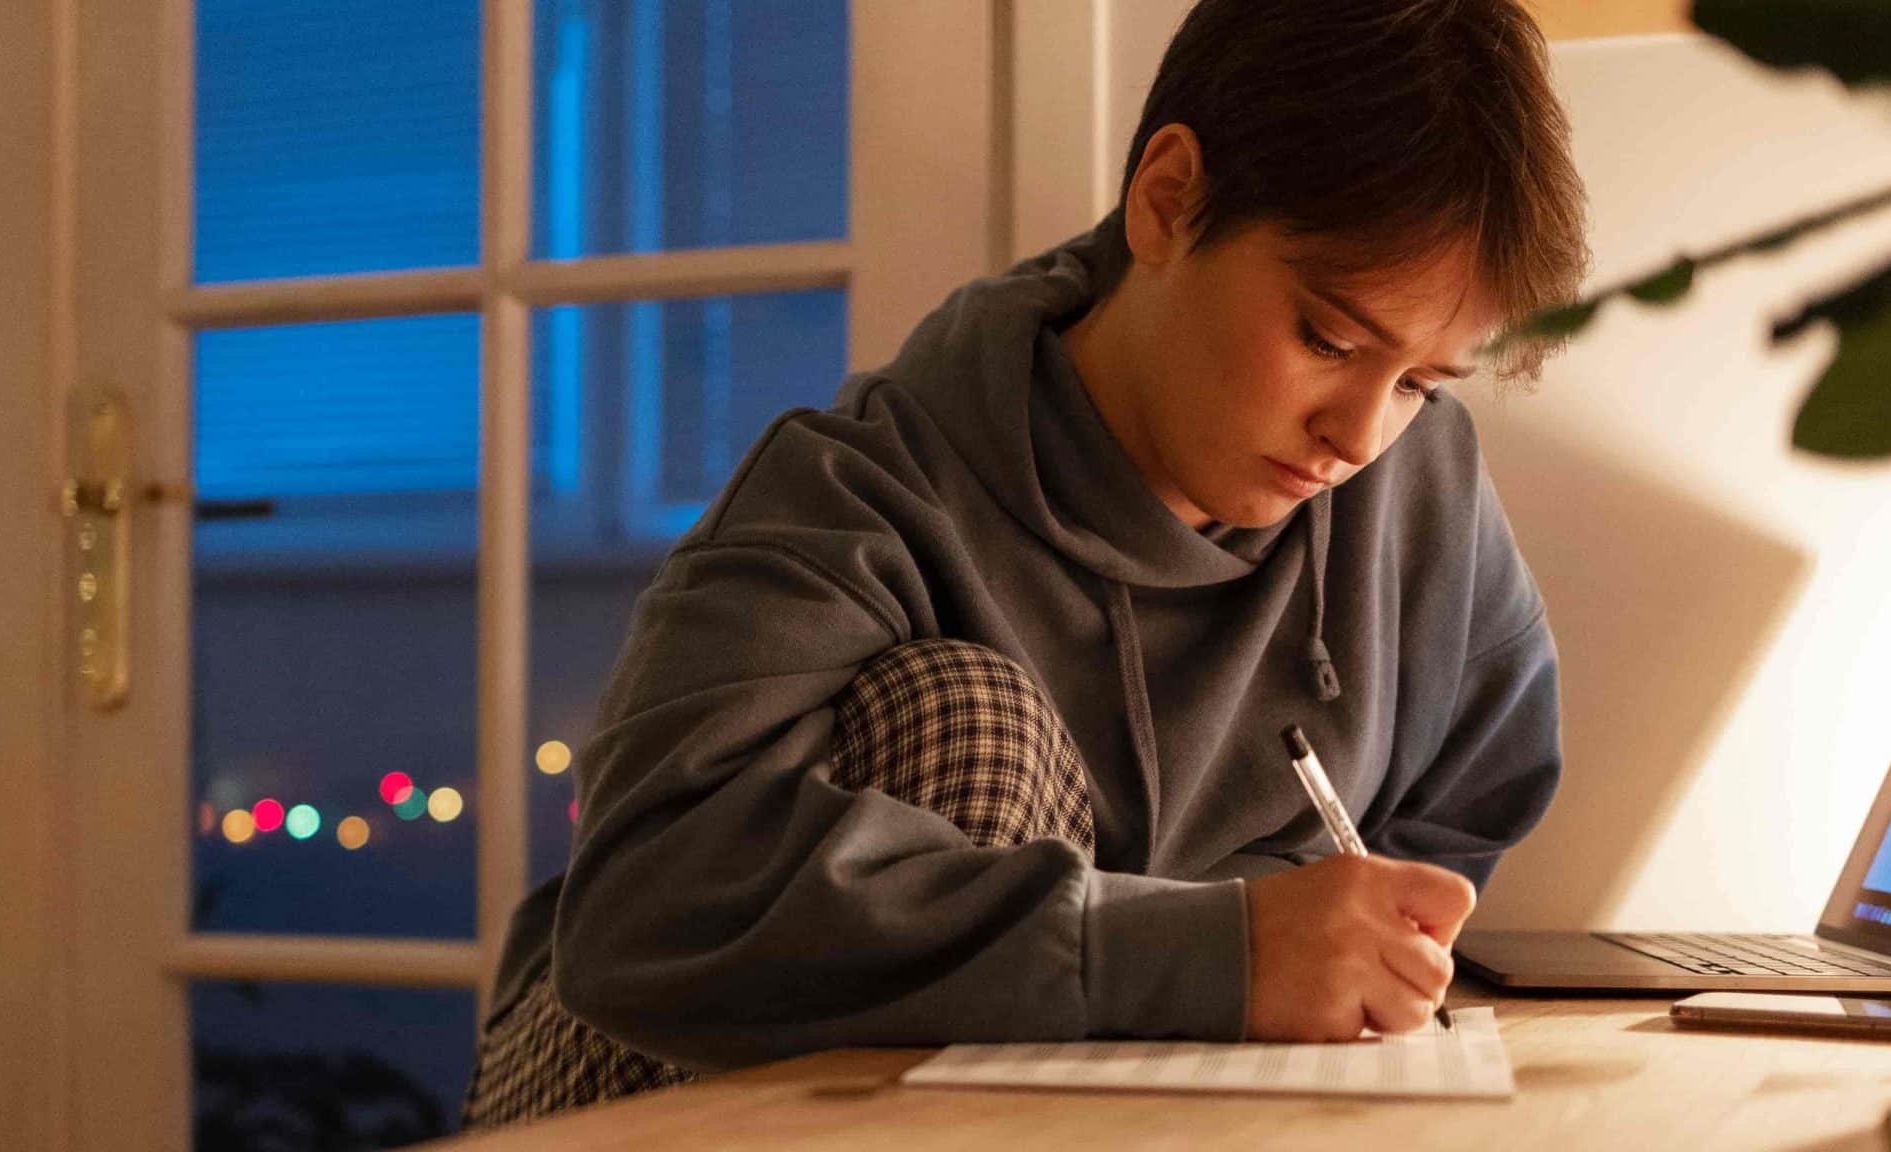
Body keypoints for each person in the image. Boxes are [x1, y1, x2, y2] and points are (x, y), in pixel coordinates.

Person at [463, 0, 1588, 1125]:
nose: (1358, 436)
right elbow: (639, 909)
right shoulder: (864, 486)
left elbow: (1471, 802)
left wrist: (1339, 951)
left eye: (1420, 382)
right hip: (608, 1069)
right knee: (969, 719)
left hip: (1091, 1107)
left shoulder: (1414, 480)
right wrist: (1214, 950)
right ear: (1165, 201)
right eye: (1328, 341)